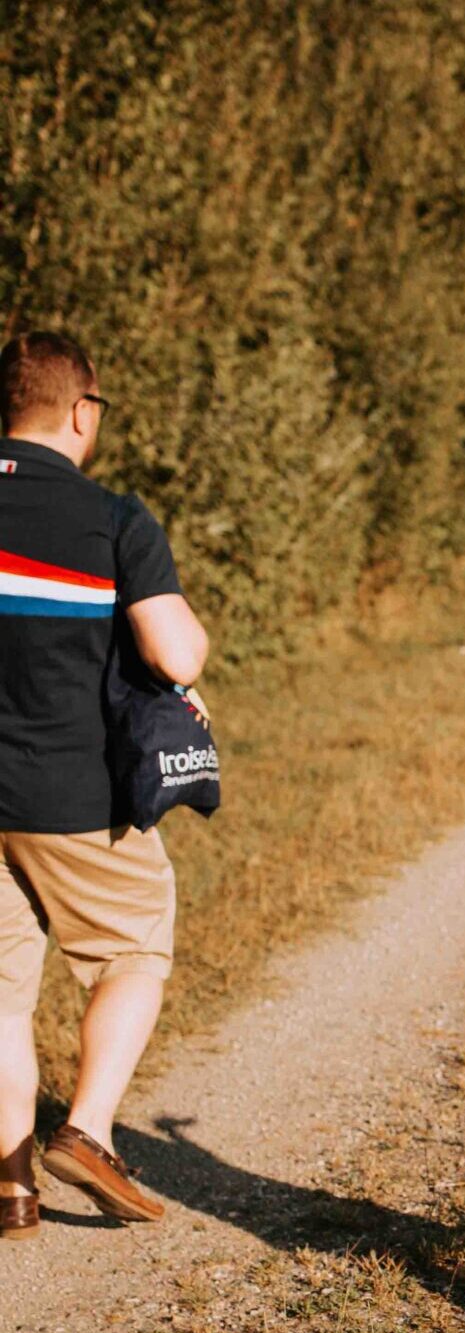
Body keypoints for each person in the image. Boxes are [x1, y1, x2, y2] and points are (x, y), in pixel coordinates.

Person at [0, 331, 208, 1239]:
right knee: (134, 947)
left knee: (1, 991)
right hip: (71, 793)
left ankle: (9, 1186)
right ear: (82, 411)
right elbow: (176, 651)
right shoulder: (112, 519)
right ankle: (85, 1130)